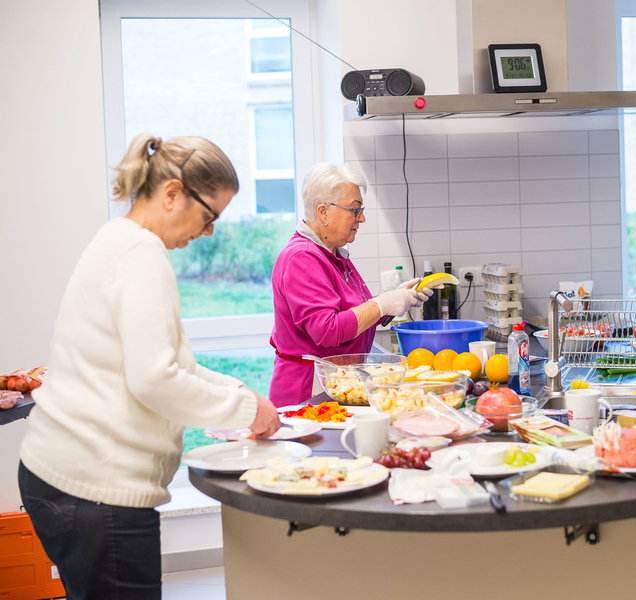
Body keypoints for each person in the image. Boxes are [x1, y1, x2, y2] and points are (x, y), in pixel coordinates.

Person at [18, 134, 281, 599]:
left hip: (59, 475)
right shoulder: (142, 255)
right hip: (96, 488)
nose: (208, 233)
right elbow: (155, 380)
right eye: (208, 216)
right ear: (173, 192)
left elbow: (170, 364)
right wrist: (244, 411)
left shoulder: (116, 237)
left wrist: (241, 393)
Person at [268, 163, 431, 406]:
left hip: (334, 385)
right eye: (354, 210)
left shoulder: (332, 255)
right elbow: (328, 330)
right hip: (307, 392)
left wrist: (394, 300)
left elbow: (354, 315)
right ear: (323, 212)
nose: (362, 218)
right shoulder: (302, 258)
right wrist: (382, 304)